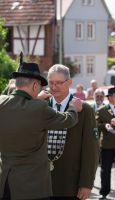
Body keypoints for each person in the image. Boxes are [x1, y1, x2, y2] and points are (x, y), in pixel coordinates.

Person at [0, 59, 81, 200]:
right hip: (32, 187)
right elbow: (68, 120)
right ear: (35, 85)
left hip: (5, 183)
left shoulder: (2, 102)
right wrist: (73, 108)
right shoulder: (39, 108)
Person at [45, 64, 99, 200]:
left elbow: (91, 150)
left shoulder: (85, 110)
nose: (54, 87)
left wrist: (86, 184)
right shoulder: (41, 106)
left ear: (69, 83)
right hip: (41, 181)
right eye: (51, 82)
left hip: (70, 182)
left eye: (58, 83)